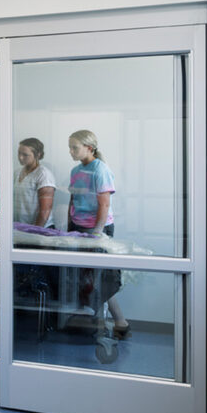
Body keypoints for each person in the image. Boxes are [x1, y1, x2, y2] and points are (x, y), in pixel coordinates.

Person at [67, 129, 130, 339]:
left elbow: (104, 204)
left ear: (89, 148)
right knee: (84, 278)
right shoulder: (75, 171)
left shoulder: (100, 170)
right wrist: (69, 226)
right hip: (78, 226)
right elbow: (73, 200)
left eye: (74, 147)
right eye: (70, 147)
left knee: (98, 279)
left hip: (97, 228)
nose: (71, 151)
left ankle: (112, 323)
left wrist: (97, 233)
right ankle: (118, 323)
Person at [15, 137, 56, 227]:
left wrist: (35, 231)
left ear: (38, 155)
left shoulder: (44, 175)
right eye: (19, 153)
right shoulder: (17, 172)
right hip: (20, 227)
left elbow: (45, 210)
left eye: (25, 155)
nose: (20, 157)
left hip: (40, 229)